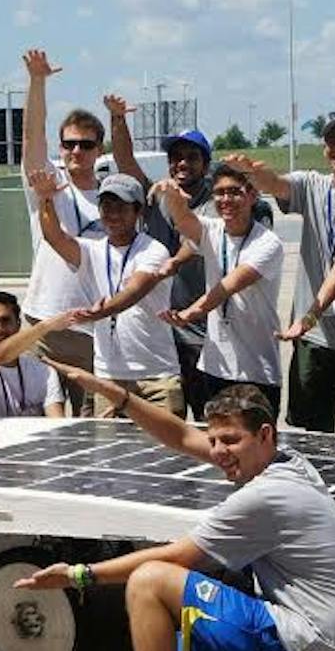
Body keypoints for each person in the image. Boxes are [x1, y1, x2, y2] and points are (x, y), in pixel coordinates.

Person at [15, 380, 335, 651]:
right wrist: (120, 397)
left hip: (304, 640)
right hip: (324, 647)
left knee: (148, 581)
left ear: (265, 434)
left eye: (230, 440)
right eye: (214, 440)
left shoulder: (265, 496)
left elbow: (177, 557)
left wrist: (81, 574)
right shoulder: (291, 463)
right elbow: (181, 435)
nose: (218, 451)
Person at [108, 99, 273, 420]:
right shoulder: (157, 195)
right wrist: (117, 119)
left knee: (209, 420)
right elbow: (125, 161)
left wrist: (174, 262)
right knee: (169, 425)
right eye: (176, 157)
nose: (182, 163)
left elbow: (194, 241)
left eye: (191, 157)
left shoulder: (219, 206)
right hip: (161, 334)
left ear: (206, 163)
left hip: (203, 333)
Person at [229, 112, 335, 435]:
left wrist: (310, 314)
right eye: (333, 142)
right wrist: (254, 173)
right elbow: (277, 184)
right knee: (314, 434)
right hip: (314, 337)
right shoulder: (311, 184)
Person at [27, 169, 184, 417]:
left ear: (138, 211)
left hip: (155, 377)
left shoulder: (154, 250)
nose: (112, 214)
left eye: (121, 207)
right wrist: (45, 199)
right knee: (108, 442)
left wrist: (99, 313)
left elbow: (135, 291)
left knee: (166, 442)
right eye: (106, 206)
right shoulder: (92, 250)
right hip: (108, 377)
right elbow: (54, 238)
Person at [156, 163, 286, 414]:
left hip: (257, 371)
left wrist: (191, 312)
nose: (226, 199)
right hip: (215, 368)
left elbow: (229, 285)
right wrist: (173, 197)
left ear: (252, 195)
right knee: (214, 435)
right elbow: (184, 221)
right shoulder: (213, 230)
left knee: (255, 437)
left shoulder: (268, 243)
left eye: (234, 192)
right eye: (219, 192)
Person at [20, 48, 104, 415]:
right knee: (41, 422)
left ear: (99, 149)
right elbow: (32, 136)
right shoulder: (48, 183)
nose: (76, 151)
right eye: (69, 144)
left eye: (86, 145)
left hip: (93, 330)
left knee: (93, 425)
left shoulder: (113, 197)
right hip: (44, 325)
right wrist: (37, 82)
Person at [0, 292, 67, 418]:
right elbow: (0, 355)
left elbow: (56, 419)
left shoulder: (44, 371)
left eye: (5, 321)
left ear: (18, 324)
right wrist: (44, 327)